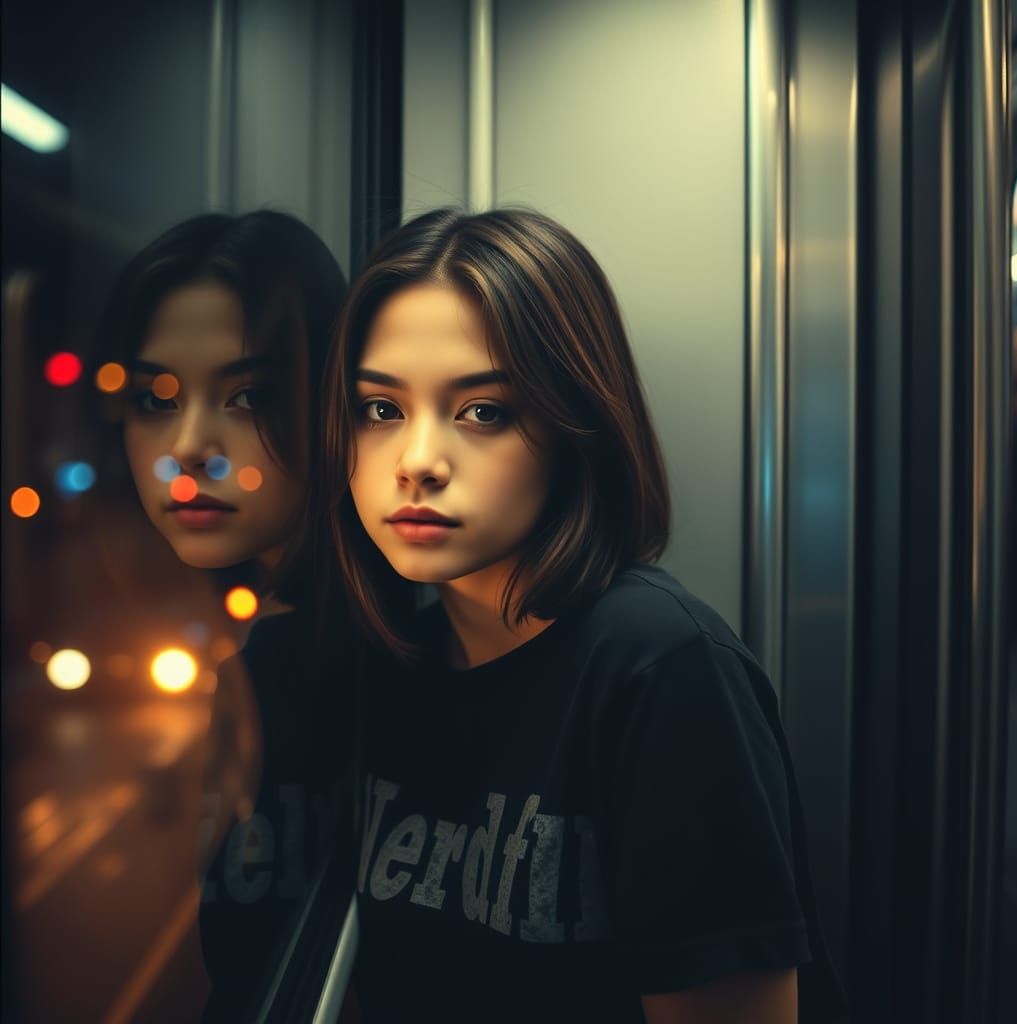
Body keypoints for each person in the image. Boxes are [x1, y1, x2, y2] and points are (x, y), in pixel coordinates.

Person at [322, 207, 849, 1023]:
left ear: (575, 427)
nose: (418, 462)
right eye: (380, 410)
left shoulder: (661, 666)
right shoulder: (396, 668)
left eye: (483, 411)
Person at [90, 210, 355, 1019]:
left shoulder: (398, 650)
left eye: (245, 396)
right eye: (154, 398)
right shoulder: (243, 639)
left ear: (327, 404)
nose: (189, 446)